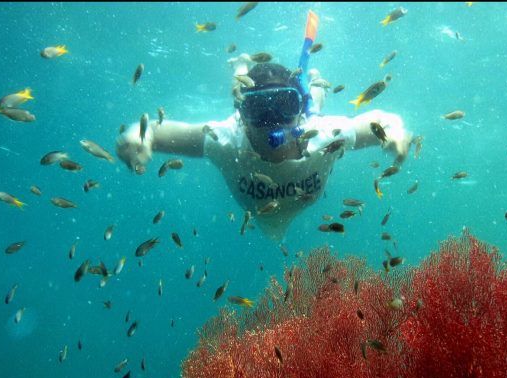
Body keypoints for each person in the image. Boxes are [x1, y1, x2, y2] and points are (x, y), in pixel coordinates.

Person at [116, 53, 413, 241]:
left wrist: (395, 131)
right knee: (243, 84)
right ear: (243, 117)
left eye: (285, 104)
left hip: (309, 116)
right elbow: (152, 130)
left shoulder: (325, 136)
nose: (273, 122)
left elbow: (382, 120)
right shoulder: (226, 141)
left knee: (316, 106)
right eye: (258, 108)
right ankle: (241, 66)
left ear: (296, 111)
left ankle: (314, 88)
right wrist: (137, 136)